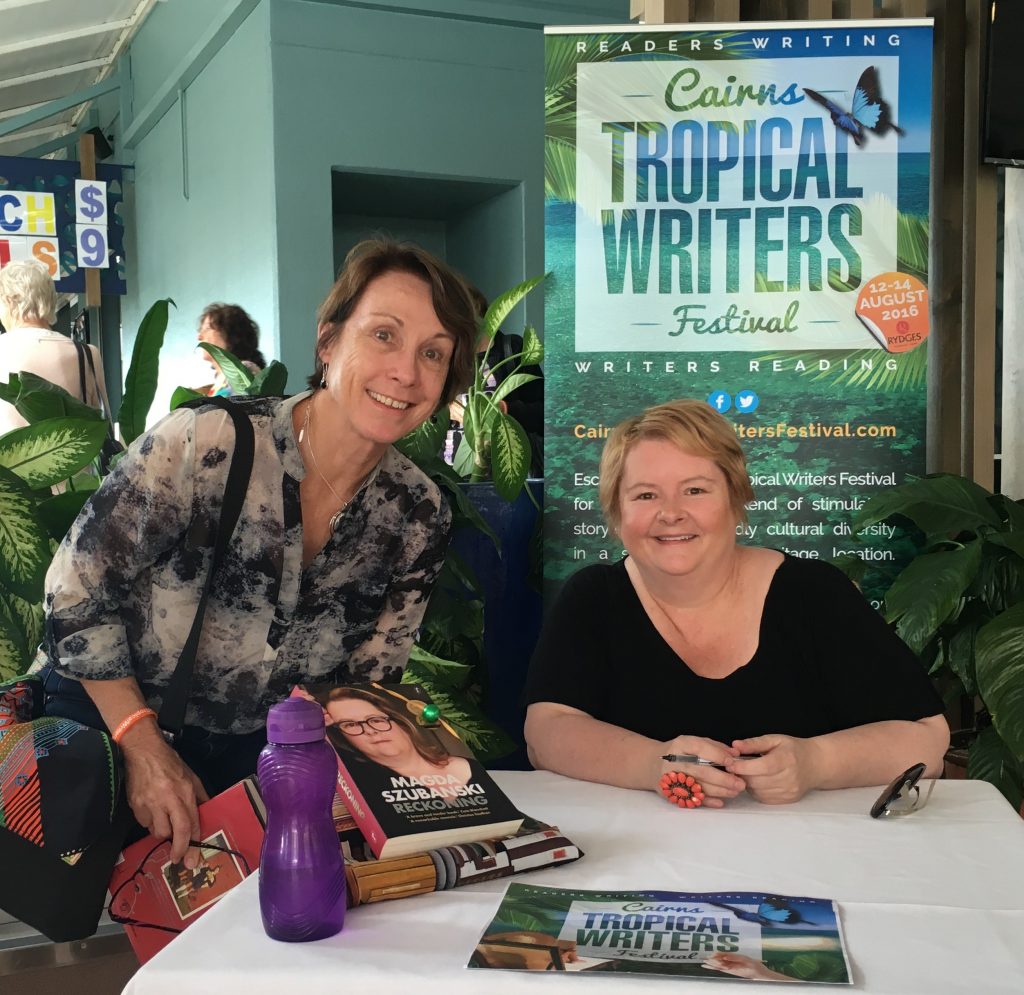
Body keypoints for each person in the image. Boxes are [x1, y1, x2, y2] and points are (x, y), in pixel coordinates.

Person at [39, 239, 478, 865]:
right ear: (328, 343)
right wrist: (142, 746)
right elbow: (73, 593)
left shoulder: (417, 511)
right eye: (384, 335)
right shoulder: (204, 445)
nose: (405, 372)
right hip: (120, 722)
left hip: (264, 759)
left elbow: (374, 677)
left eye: (432, 353)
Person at [523, 398, 949, 807]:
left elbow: (926, 739)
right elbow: (546, 733)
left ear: (736, 499)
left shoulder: (815, 593)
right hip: (639, 860)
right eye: (645, 495)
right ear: (617, 512)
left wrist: (817, 762)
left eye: (695, 490)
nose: (671, 513)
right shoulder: (594, 597)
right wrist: (653, 766)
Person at [0, 259, 111, 434]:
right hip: (76, 461)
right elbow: (103, 428)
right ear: (50, 298)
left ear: (6, 301)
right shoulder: (86, 354)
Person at [318, 685, 477, 790]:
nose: (370, 730)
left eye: (376, 720)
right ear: (343, 738)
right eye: (350, 725)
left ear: (401, 724)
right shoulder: (370, 790)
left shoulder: (470, 768)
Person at [194, 302, 266, 396]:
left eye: (207, 329)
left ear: (231, 334)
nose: (199, 337)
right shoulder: (221, 380)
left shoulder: (242, 371)